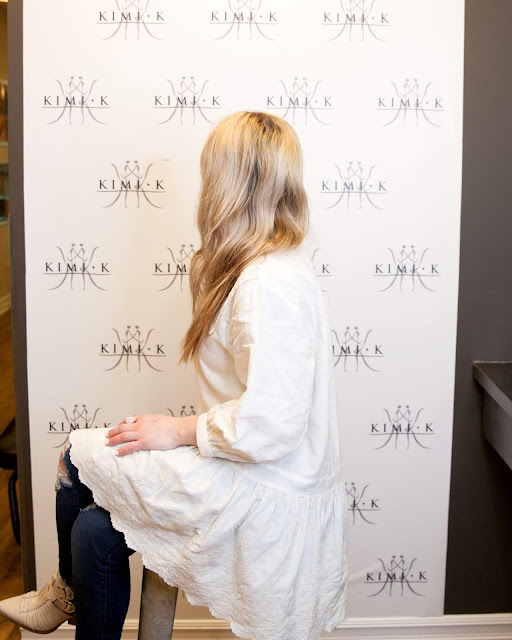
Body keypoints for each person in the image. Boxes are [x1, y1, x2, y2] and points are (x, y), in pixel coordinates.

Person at [0, 110, 349, 639]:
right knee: (94, 531)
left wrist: (176, 430)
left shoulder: (267, 284)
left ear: (229, 183)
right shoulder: (255, 265)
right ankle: (65, 591)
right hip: (246, 467)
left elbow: (272, 425)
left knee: (76, 454)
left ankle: (61, 594)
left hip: (264, 483)